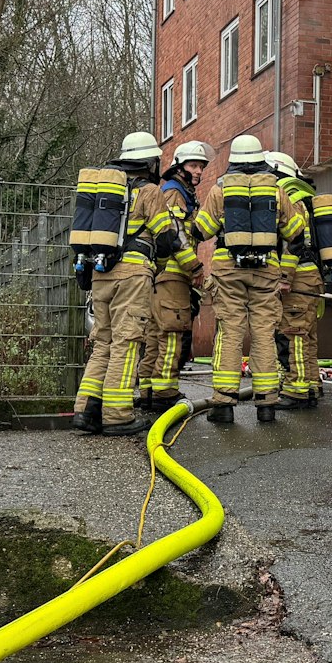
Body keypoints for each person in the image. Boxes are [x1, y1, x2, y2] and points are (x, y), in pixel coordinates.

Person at [191, 135, 302, 423]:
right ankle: (266, 405)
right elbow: (296, 231)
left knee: (230, 332)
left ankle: (224, 404)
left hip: (228, 269)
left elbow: (201, 230)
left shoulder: (220, 190)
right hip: (266, 270)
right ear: (260, 161)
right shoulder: (277, 190)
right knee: (264, 333)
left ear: (234, 161)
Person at [71, 132, 170, 436]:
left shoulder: (106, 193)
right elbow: (165, 239)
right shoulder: (150, 192)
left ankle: (86, 410)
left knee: (103, 342)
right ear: (150, 161)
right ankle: (117, 415)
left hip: (101, 272)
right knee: (127, 344)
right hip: (132, 274)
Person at [138, 140, 212, 412]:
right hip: (173, 274)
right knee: (172, 333)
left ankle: (147, 391)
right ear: (179, 167)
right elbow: (176, 235)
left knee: (157, 334)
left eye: (202, 166)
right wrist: (194, 267)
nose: (199, 171)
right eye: (194, 165)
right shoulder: (174, 194)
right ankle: (165, 392)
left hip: (165, 275)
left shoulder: (181, 193)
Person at [265, 151, 332, 411]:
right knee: (308, 337)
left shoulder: (288, 197)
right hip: (311, 278)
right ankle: (312, 385)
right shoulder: (304, 196)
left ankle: (297, 391)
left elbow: (295, 245)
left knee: (294, 336)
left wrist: (284, 277)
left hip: (298, 279)